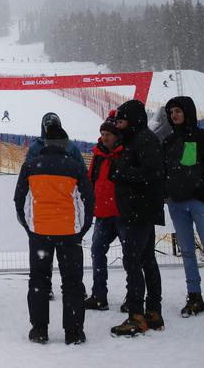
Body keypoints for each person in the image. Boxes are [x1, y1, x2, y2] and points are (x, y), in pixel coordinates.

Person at [14, 123, 94, 345]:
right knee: (72, 281)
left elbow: (19, 199)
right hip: (69, 233)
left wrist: (29, 228)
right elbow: (89, 198)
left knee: (39, 279)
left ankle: (39, 329)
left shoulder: (30, 165)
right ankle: (74, 332)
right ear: (65, 144)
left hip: (40, 232)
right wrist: (82, 229)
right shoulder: (75, 167)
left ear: (45, 143)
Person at [162, 96, 204, 320]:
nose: (174, 115)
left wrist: (202, 191)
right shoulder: (169, 140)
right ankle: (195, 297)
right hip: (177, 204)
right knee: (188, 253)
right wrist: (167, 193)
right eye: (171, 112)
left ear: (188, 112)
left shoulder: (203, 137)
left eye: (178, 111)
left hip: (200, 203)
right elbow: (163, 171)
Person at [109, 100, 165, 336]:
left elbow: (153, 172)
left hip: (139, 211)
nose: (118, 126)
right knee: (145, 260)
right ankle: (152, 312)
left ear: (132, 121)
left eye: (121, 122)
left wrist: (122, 173)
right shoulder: (136, 139)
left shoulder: (143, 140)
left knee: (134, 261)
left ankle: (137, 315)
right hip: (139, 209)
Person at [25, 112, 87, 301]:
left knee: (51, 257)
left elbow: (82, 174)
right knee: (60, 257)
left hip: (58, 212)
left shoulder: (66, 147)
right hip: (54, 212)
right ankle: (60, 287)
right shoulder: (44, 147)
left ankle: (67, 287)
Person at [84, 110, 127, 311]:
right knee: (97, 251)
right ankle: (99, 295)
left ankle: (133, 297)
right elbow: (91, 180)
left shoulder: (125, 153)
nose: (104, 137)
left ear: (116, 136)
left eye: (108, 134)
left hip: (122, 214)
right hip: (102, 214)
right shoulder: (98, 155)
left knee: (131, 256)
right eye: (102, 134)